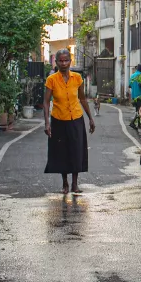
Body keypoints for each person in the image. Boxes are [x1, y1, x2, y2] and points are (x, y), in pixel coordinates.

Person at [43, 49, 96, 195]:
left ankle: (75, 184)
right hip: (58, 120)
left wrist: (90, 118)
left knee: (76, 150)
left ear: (70, 61)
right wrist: (47, 123)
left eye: (66, 60)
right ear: (56, 62)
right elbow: (46, 102)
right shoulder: (52, 80)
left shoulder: (77, 78)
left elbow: (83, 99)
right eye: (60, 60)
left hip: (76, 119)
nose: (63, 63)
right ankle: (65, 183)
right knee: (61, 152)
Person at [128, 64, 141, 131]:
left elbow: (129, 86)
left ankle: (138, 124)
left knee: (137, 109)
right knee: (140, 110)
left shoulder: (132, 75)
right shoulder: (140, 75)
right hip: (139, 95)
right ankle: (132, 123)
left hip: (133, 96)